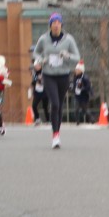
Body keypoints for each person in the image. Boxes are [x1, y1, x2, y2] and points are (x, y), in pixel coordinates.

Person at [32, 12, 80, 149]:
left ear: (61, 25)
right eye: (54, 22)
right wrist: (41, 60)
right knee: (55, 103)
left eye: (58, 23)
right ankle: (55, 136)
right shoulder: (44, 39)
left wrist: (67, 55)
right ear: (50, 25)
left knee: (59, 105)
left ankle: (57, 131)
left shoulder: (68, 39)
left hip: (64, 75)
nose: (56, 25)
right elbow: (36, 52)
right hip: (49, 75)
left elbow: (77, 57)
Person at [30, 59, 50, 125]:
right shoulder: (34, 73)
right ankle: (37, 118)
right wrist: (31, 92)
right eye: (35, 66)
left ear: (40, 66)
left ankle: (48, 120)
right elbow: (33, 82)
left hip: (44, 92)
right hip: (37, 92)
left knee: (45, 106)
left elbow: (46, 80)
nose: (36, 67)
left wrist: (41, 80)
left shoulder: (44, 72)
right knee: (34, 105)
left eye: (37, 66)